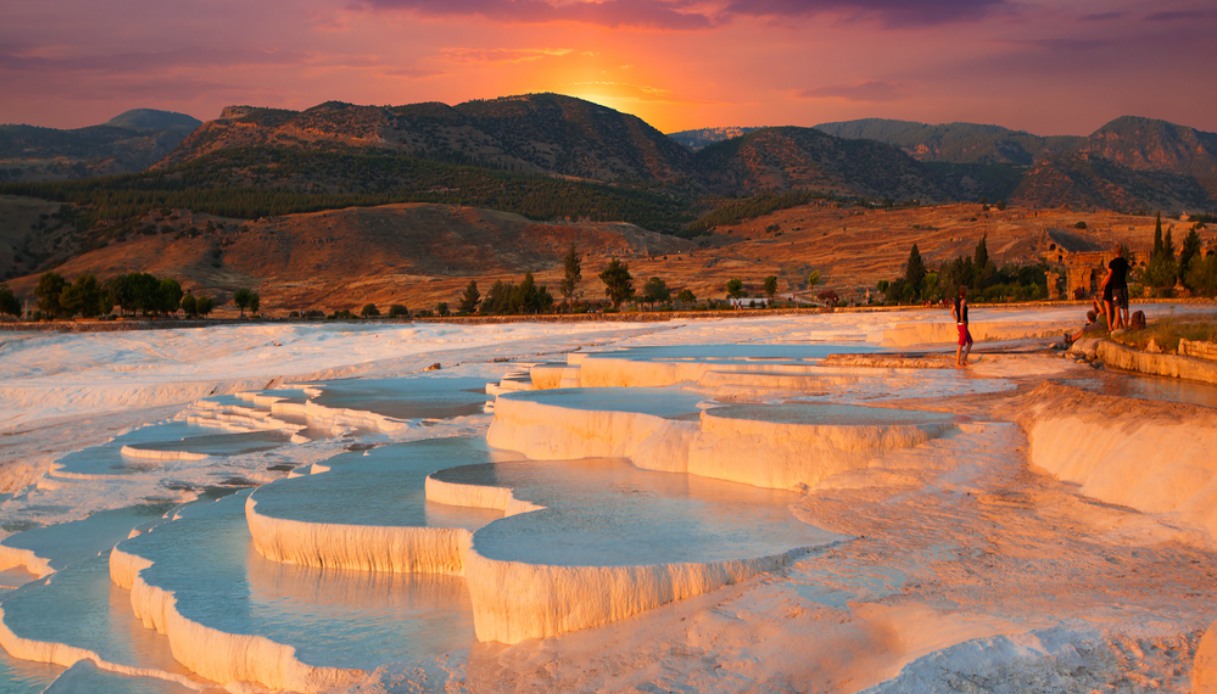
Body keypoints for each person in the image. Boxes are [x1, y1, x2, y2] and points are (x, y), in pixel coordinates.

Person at [1101, 244, 1130, 331]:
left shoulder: (1112, 263)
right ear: (1121, 251)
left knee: (1117, 308)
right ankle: (1126, 326)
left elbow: (1110, 275)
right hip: (1124, 286)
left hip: (1116, 287)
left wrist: (1103, 283)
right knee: (1125, 308)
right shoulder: (1125, 262)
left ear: (1114, 252)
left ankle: (1116, 328)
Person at [951, 285, 973, 367]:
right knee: (960, 345)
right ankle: (957, 363)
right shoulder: (963, 301)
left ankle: (964, 359)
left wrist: (957, 319)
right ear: (964, 293)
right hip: (962, 325)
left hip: (961, 325)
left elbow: (951, 312)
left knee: (970, 342)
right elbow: (961, 309)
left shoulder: (956, 301)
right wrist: (962, 319)